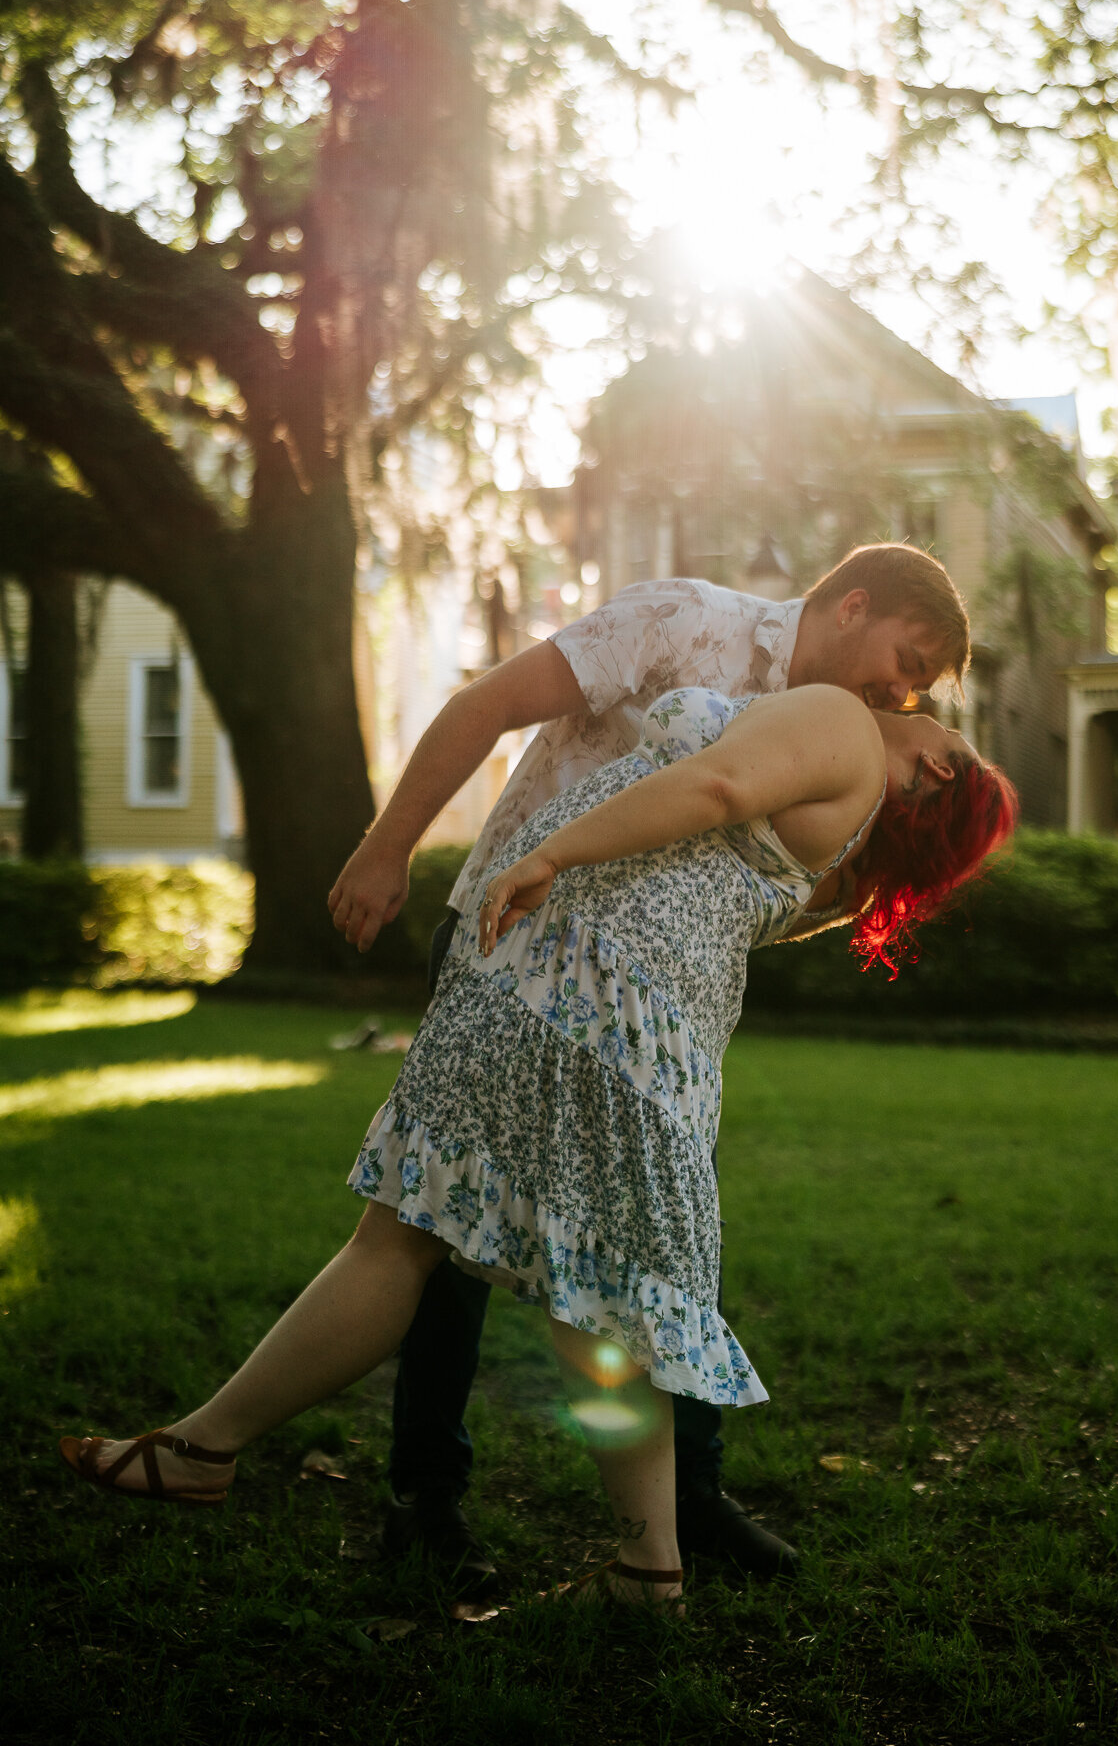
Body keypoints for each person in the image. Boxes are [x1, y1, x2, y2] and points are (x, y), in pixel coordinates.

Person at [60, 682, 1018, 1613]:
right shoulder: (849, 850)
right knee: (586, 1279)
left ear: (936, 762)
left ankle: (202, 1451)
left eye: (934, 699)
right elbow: (729, 891)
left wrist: (547, 855)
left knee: (406, 1230)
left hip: (569, 984)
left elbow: (717, 787)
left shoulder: (843, 725)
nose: (916, 690)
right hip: (645, 1032)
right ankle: (649, 1566)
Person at [328, 543, 973, 1589]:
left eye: (919, 686)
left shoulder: (843, 736)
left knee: (655, 1236)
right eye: (906, 657)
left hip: (644, 1017)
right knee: (443, 1220)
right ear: (854, 604)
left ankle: (685, 1507)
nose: (903, 690)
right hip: (515, 942)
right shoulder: (683, 621)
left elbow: (759, 892)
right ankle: (428, 1498)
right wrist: (385, 846)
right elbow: (487, 703)